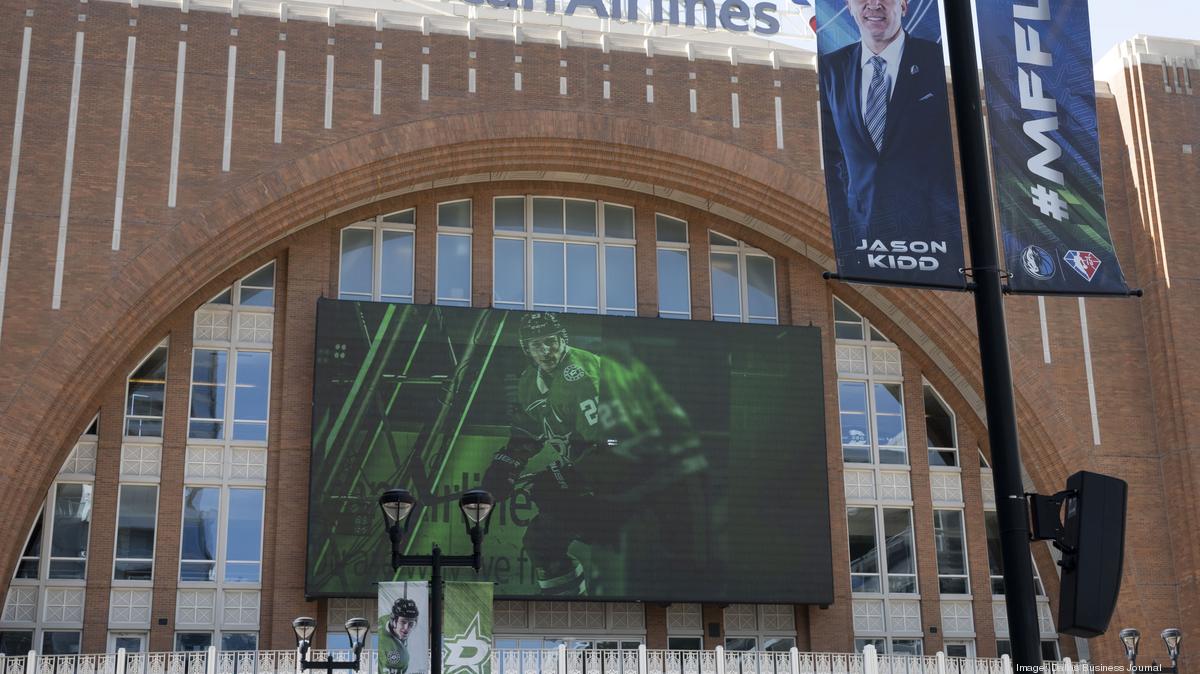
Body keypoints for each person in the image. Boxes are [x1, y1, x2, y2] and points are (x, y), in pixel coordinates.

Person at [481, 312, 709, 596]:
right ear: (526, 349)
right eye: (537, 345)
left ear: (563, 340)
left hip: (647, 478)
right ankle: (566, 609)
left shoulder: (582, 375)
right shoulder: (530, 381)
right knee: (543, 543)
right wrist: (507, 464)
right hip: (611, 472)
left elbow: (611, 443)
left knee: (561, 523)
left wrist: (571, 474)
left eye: (551, 342)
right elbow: (528, 432)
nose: (546, 351)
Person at [818, 0, 959, 275]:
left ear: (904, 5)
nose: (874, 4)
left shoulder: (933, 60)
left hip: (931, 240)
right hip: (862, 237)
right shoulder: (832, 69)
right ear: (849, 6)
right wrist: (845, 234)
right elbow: (836, 159)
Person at [379, 597, 419, 674]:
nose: (406, 628)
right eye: (403, 622)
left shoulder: (384, 619)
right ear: (393, 621)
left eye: (411, 624)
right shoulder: (401, 654)